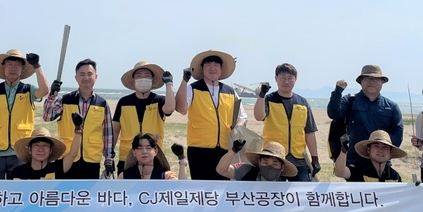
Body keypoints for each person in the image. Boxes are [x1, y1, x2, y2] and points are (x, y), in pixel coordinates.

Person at [175, 50, 247, 180]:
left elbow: (242, 117)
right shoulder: (193, 88)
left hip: (225, 148)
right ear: (202, 69)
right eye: (208, 64)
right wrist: (184, 81)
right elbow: (180, 108)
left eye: (216, 64)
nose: (212, 68)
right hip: (199, 148)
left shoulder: (231, 92)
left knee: (223, 187)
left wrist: (237, 129)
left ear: (221, 69)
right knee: (200, 187)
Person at [42, 59, 114, 179]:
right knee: (65, 194)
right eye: (82, 74)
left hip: (91, 159)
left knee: (87, 196)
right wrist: (52, 95)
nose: (86, 77)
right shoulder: (65, 100)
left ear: (96, 77)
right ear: (76, 78)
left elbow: (108, 134)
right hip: (67, 157)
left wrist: (108, 160)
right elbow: (47, 117)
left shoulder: (102, 103)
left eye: (89, 74)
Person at [0, 49, 50, 179]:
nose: (13, 68)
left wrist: (36, 66)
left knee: (19, 192)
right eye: (9, 64)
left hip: (20, 151)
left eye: (17, 65)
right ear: (3, 67)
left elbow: (44, 90)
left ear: (22, 69)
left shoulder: (28, 90)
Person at [327, 64, 403, 169]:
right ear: (361, 82)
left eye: (376, 79)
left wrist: (382, 151)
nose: (371, 81)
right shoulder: (349, 100)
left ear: (382, 82)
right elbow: (333, 114)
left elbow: (397, 135)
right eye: (367, 78)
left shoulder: (391, 107)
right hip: (354, 160)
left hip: (381, 163)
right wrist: (337, 92)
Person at [254, 63, 320, 181]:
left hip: (299, 160)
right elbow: (259, 116)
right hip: (274, 159)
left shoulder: (303, 103)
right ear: (276, 79)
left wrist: (315, 159)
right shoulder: (269, 99)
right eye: (283, 78)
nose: (286, 82)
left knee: (302, 196)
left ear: (295, 80)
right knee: (273, 195)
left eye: (290, 78)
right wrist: (262, 95)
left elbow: (309, 132)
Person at [112, 61, 175, 174]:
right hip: (127, 156)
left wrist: (169, 83)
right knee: (126, 189)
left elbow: (170, 108)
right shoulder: (123, 102)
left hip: (154, 156)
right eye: (139, 75)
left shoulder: (159, 100)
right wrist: (109, 154)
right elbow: (115, 131)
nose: (143, 78)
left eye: (147, 75)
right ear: (133, 80)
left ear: (152, 80)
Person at [9, 114, 83, 180]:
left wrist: (78, 130)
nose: (41, 149)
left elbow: (72, 154)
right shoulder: (17, 172)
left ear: (51, 150)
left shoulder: (58, 168)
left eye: (45, 145)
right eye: (36, 145)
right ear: (29, 150)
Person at [334, 130, 405, 182]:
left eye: (385, 147)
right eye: (376, 146)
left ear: (390, 153)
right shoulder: (358, 169)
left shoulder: (394, 176)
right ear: (368, 150)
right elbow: (340, 172)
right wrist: (344, 150)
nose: (381, 150)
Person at [216, 141, 298, 181]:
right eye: (265, 162)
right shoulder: (247, 171)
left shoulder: (285, 188)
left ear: (282, 167)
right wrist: (233, 151)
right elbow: (222, 170)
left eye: (274, 164)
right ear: (259, 162)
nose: (269, 167)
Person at [118, 134, 189, 180]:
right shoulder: (124, 176)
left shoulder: (165, 176)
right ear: (134, 152)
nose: (144, 152)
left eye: (148, 148)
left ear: (155, 151)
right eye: (140, 148)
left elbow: (182, 188)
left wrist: (181, 158)